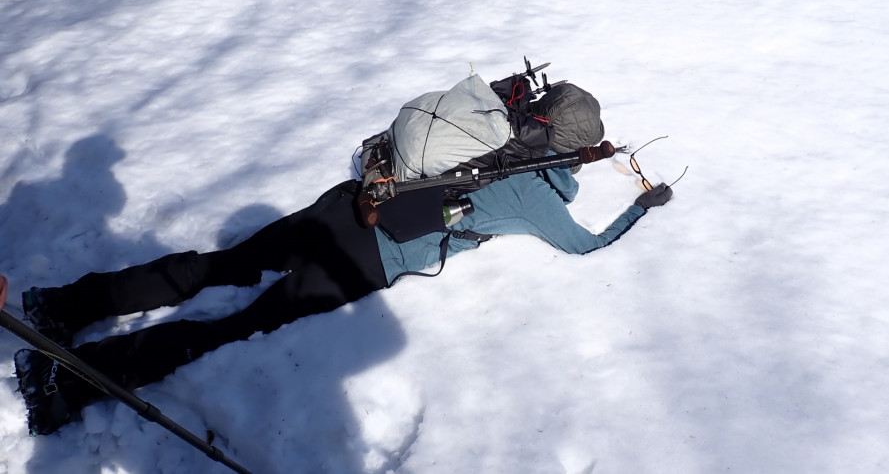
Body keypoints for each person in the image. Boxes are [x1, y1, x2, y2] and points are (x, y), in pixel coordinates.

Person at [12, 109, 674, 437]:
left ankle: (61, 304)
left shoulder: (494, 126)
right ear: (574, 161)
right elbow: (588, 246)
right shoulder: (538, 196)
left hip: (348, 204)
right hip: (368, 256)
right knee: (232, 326)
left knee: (219, 266)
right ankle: (62, 381)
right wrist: (642, 208)